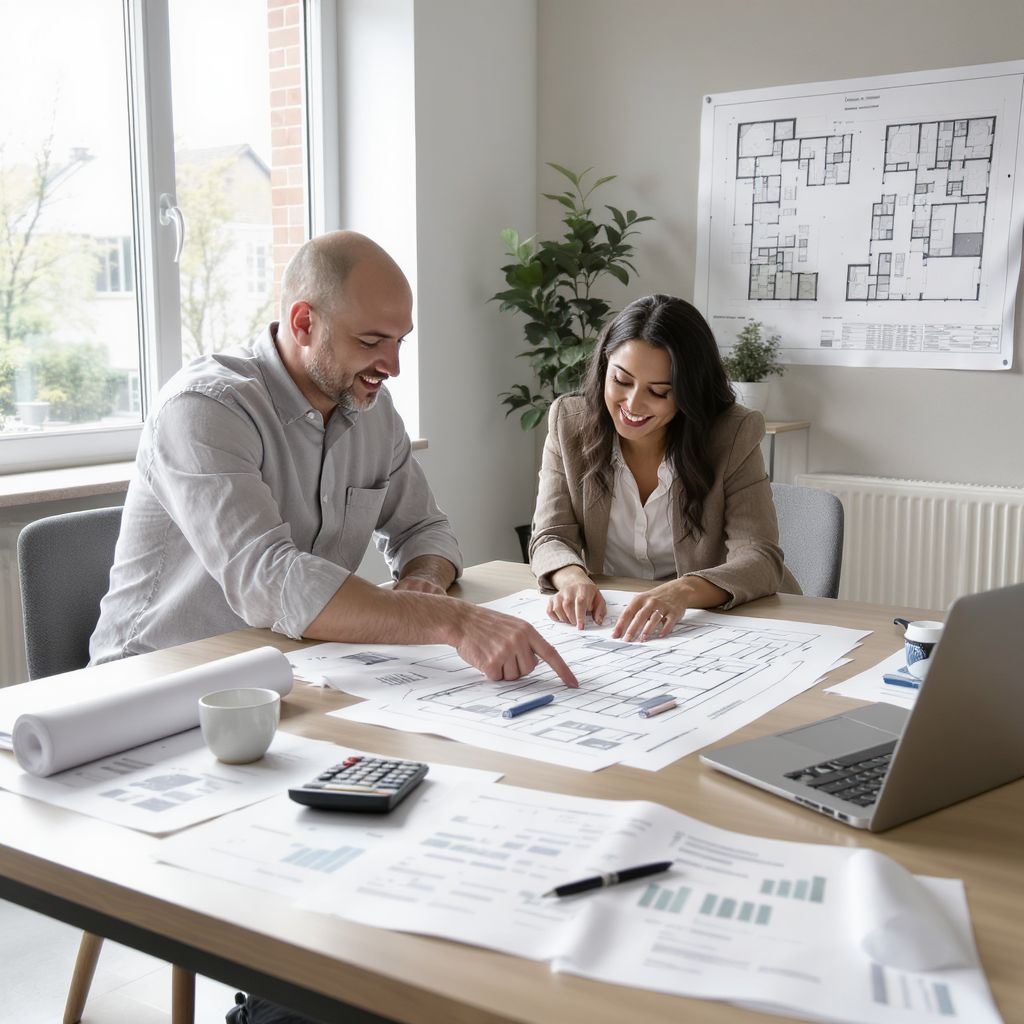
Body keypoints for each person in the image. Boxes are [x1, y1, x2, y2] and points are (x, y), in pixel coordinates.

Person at [90, 229, 577, 691]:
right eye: (370, 342)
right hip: (152, 685)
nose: (393, 367)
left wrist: (423, 582)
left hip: (289, 671)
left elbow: (427, 530)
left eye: (398, 341)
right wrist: (454, 620)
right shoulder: (205, 407)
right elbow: (269, 579)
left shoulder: (372, 410)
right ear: (304, 323)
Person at [529, 293, 799, 641]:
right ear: (604, 364)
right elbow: (551, 536)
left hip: (714, 623)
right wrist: (572, 578)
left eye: (658, 391)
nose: (633, 403)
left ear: (689, 393)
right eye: (622, 381)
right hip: (614, 625)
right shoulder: (569, 424)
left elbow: (760, 558)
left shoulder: (733, 433)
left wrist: (681, 591)